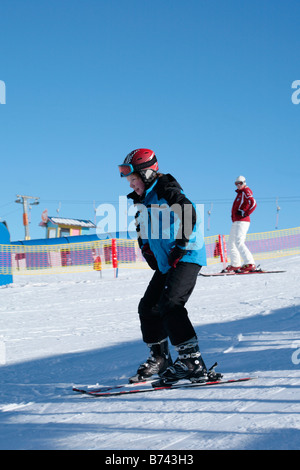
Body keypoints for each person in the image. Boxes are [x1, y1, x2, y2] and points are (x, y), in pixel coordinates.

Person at [118, 148, 221, 385]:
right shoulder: (143, 201)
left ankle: (191, 363)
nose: (131, 185)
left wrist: (181, 245)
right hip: (168, 262)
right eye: (129, 181)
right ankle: (160, 358)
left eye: (134, 179)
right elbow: (142, 230)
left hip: (187, 255)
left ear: (146, 174)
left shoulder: (166, 189)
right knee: (148, 307)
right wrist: (145, 248)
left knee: (170, 304)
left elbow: (188, 212)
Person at [223, 175, 257, 273]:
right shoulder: (240, 193)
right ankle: (235, 264)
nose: (238, 185)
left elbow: (253, 202)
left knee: (239, 242)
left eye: (240, 183)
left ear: (244, 183)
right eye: (236, 184)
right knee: (231, 243)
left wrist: (245, 212)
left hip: (243, 220)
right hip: (236, 221)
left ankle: (250, 263)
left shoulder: (246, 191)